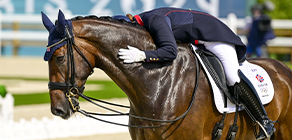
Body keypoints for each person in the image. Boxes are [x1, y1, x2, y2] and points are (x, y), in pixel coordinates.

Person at [117, 7, 275, 139]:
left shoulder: (154, 20)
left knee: (232, 77)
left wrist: (142, 55)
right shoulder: (147, 20)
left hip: (215, 38)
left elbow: (170, 51)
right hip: (197, 43)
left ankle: (264, 121)